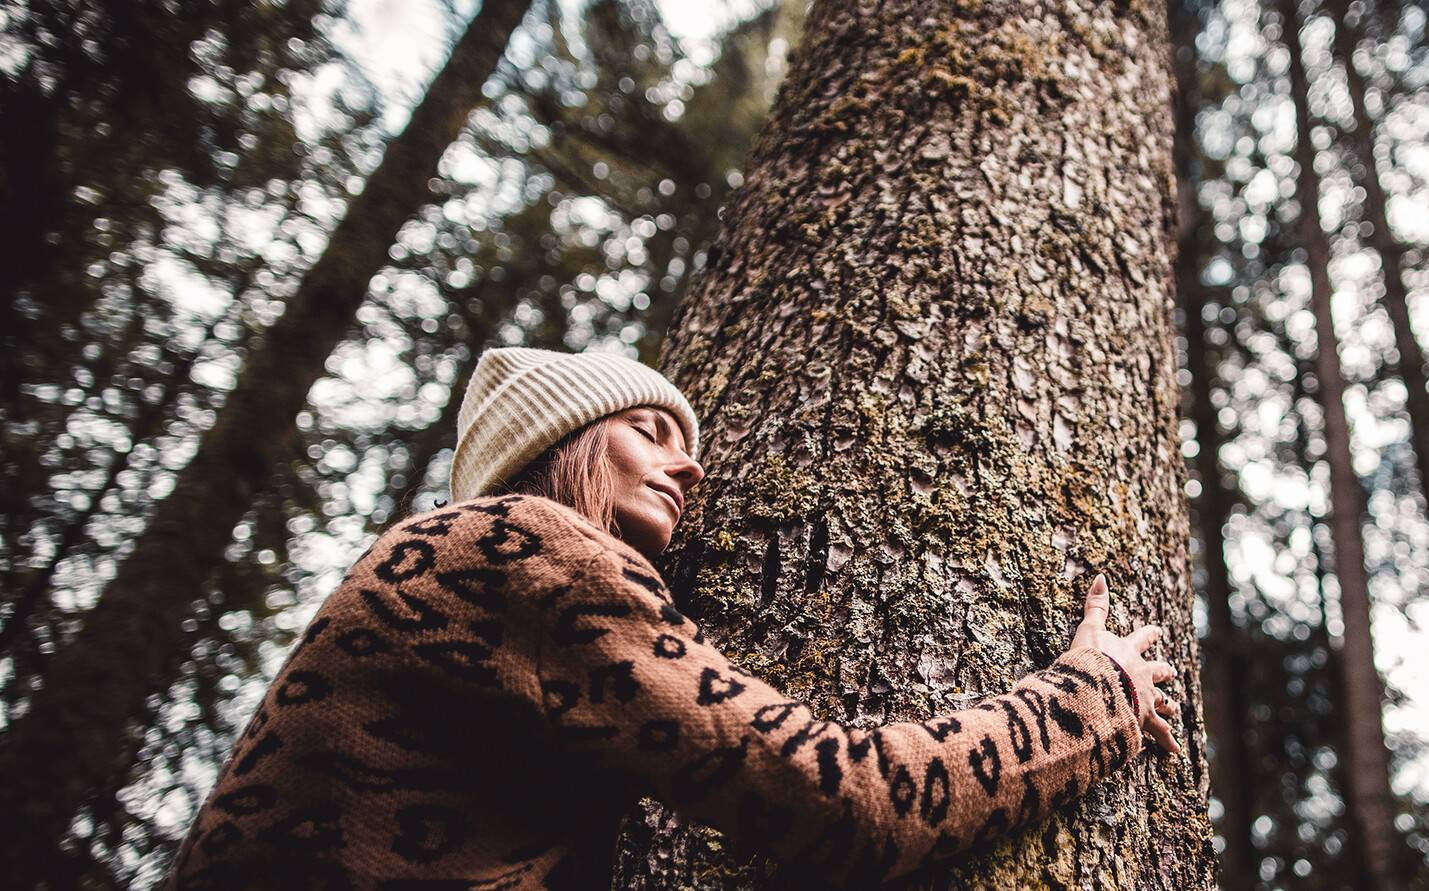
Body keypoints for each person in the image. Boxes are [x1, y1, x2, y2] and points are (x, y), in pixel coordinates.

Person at [163, 347, 1183, 890]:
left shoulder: (447, 571)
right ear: (563, 450)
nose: (691, 461)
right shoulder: (523, 547)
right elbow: (850, 805)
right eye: (647, 431)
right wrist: (1091, 700)